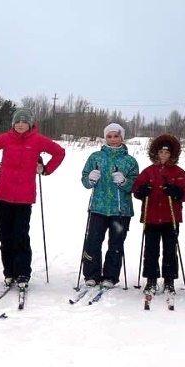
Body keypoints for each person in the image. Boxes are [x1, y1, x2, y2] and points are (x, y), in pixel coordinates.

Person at [0, 109, 65, 287]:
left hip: (24, 197)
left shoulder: (37, 140)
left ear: (30, 124)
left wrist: (45, 169)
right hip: (2, 194)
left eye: (24, 122)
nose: (20, 124)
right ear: (13, 123)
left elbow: (59, 152)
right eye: (17, 121)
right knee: (5, 236)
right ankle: (9, 272)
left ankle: (23, 274)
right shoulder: (5, 138)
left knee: (20, 236)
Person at [78, 123, 139, 288]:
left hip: (121, 210)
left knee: (116, 244)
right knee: (93, 241)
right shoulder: (95, 157)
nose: (113, 139)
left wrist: (125, 182)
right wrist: (90, 179)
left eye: (116, 136)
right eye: (109, 136)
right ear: (105, 138)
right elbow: (85, 180)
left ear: (122, 137)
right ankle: (91, 274)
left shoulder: (129, 161)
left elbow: (135, 185)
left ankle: (111, 276)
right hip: (98, 207)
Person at [131, 134, 185, 295]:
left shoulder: (178, 172)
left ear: (172, 154)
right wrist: (142, 191)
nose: (163, 155)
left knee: (170, 249)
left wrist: (176, 191)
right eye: (161, 152)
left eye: (167, 153)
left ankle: (169, 280)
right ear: (155, 153)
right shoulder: (148, 171)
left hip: (170, 217)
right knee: (151, 249)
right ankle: (151, 279)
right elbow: (136, 188)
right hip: (150, 217)